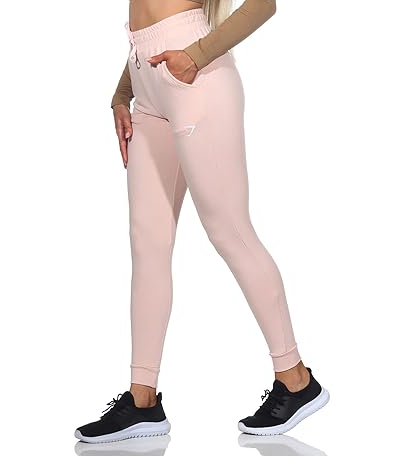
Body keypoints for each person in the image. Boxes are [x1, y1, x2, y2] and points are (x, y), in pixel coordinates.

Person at [75, 0, 330, 444]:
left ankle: (296, 379)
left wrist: (196, 56)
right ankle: (142, 400)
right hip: (146, 82)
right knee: (148, 244)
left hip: (196, 74)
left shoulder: (196, 58)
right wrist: (123, 91)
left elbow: (264, 4)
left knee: (230, 232)